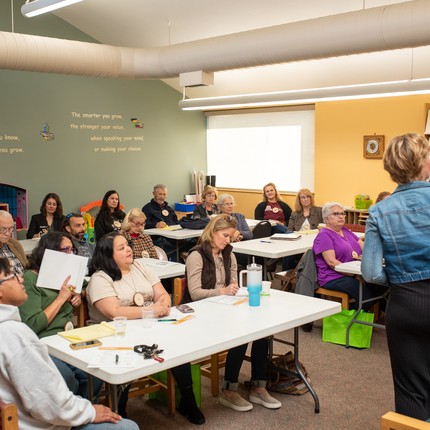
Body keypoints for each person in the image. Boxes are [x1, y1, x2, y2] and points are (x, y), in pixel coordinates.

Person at [0, 257, 138, 430]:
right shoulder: (14, 334)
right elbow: (47, 403)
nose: (20, 279)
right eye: (12, 276)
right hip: (43, 423)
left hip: (39, 412)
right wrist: (89, 412)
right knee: (128, 427)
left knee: (92, 373)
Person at [86, 232, 204, 424]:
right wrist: (151, 310)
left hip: (147, 326)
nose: (129, 249)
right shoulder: (100, 278)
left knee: (176, 346)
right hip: (114, 334)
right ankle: (121, 407)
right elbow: (114, 312)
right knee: (133, 353)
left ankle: (188, 399)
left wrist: (164, 304)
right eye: (121, 248)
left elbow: (162, 294)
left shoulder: (139, 266)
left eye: (127, 245)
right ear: (108, 255)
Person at [362, 133, 430, 421]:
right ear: (424, 162)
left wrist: (401, 275)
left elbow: (372, 273)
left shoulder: (379, 210)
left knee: (411, 390)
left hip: (406, 306)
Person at [182, 215, 281, 412]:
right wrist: (223, 291)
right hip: (200, 313)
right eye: (225, 235)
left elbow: (233, 284)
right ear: (213, 232)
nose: (228, 240)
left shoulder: (230, 255)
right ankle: (229, 390)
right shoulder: (196, 255)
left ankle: (258, 386)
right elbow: (194, 293)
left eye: (231, 237)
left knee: (262, 330)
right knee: (242, 332)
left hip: (223, 307)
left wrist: (233, 291)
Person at [18, 231, 102, 400]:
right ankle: (70, 416)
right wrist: (61, 298)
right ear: (50, 252)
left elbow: (89, 285)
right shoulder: (30, 279)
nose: (71, 254)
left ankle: (84, 415)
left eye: (72, 250)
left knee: (97, 373)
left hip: (67, 338)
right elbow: (32, 325)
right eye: (66, 250)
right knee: (68, 379)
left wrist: (80, 294)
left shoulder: (66, 273)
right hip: (42, 342)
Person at [313, 202, 387, 312]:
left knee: (383, 286)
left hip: (354, 273)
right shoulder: (324, 235)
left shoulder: (345, 230)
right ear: (326, 219)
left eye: (342, 214)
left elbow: (366, 248)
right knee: (365, 297)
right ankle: (340, 317)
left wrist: (384, 255)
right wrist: (354, 274)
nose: (341, 216)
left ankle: (354, 314)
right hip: (333, 276)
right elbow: (332, 263)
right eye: (336, 214)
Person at [142, 184, 180, 260]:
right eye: (160, 194)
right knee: (173, 250)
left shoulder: (169, 209)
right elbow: (143, 225)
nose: (162, 197)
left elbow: (176, 223)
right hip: (156, 238)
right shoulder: (147, 208)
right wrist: (156, 224)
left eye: (164, 194)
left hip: (172, 237)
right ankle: (182, 267)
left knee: (190, 245)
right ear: (154, 194)